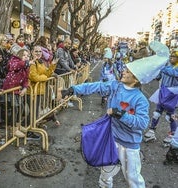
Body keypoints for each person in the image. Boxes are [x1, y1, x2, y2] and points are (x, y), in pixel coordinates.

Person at [60, 41, 170, 188]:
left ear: (136, 78)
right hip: (111, 140)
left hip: (129, 146)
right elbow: (96, 86)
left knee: (133, 180)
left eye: (128, 71)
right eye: (125, 69)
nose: (123, 72)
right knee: (105, 175)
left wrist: (120, 114)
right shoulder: (115, 86)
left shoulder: (141, 100)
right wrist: (73, 89)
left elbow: (143, 123)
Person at [144, 49, 178, 145]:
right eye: (171, 56)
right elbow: (158, 76)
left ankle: (172, 134)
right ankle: (151, 131)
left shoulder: (174, 68)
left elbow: (172, 73)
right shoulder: (166, 66)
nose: (171, 57)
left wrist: (160, 67)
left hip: (172, 95)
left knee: (170, 116)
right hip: (163, 91)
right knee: (156, 113)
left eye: (174, 56)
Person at [2, 45, 32, 138]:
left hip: (18, 90)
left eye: (27, 55)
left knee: (21, 108)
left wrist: (25, 88)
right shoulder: (14, 61)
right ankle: (13, 128)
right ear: (18, 55)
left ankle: (18, 125)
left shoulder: (26, 66)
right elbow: (14, 66)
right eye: (24, 55)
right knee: (14, 108)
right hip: (10, 90)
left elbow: (26, 79)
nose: (26, 57)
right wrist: (26, 63)